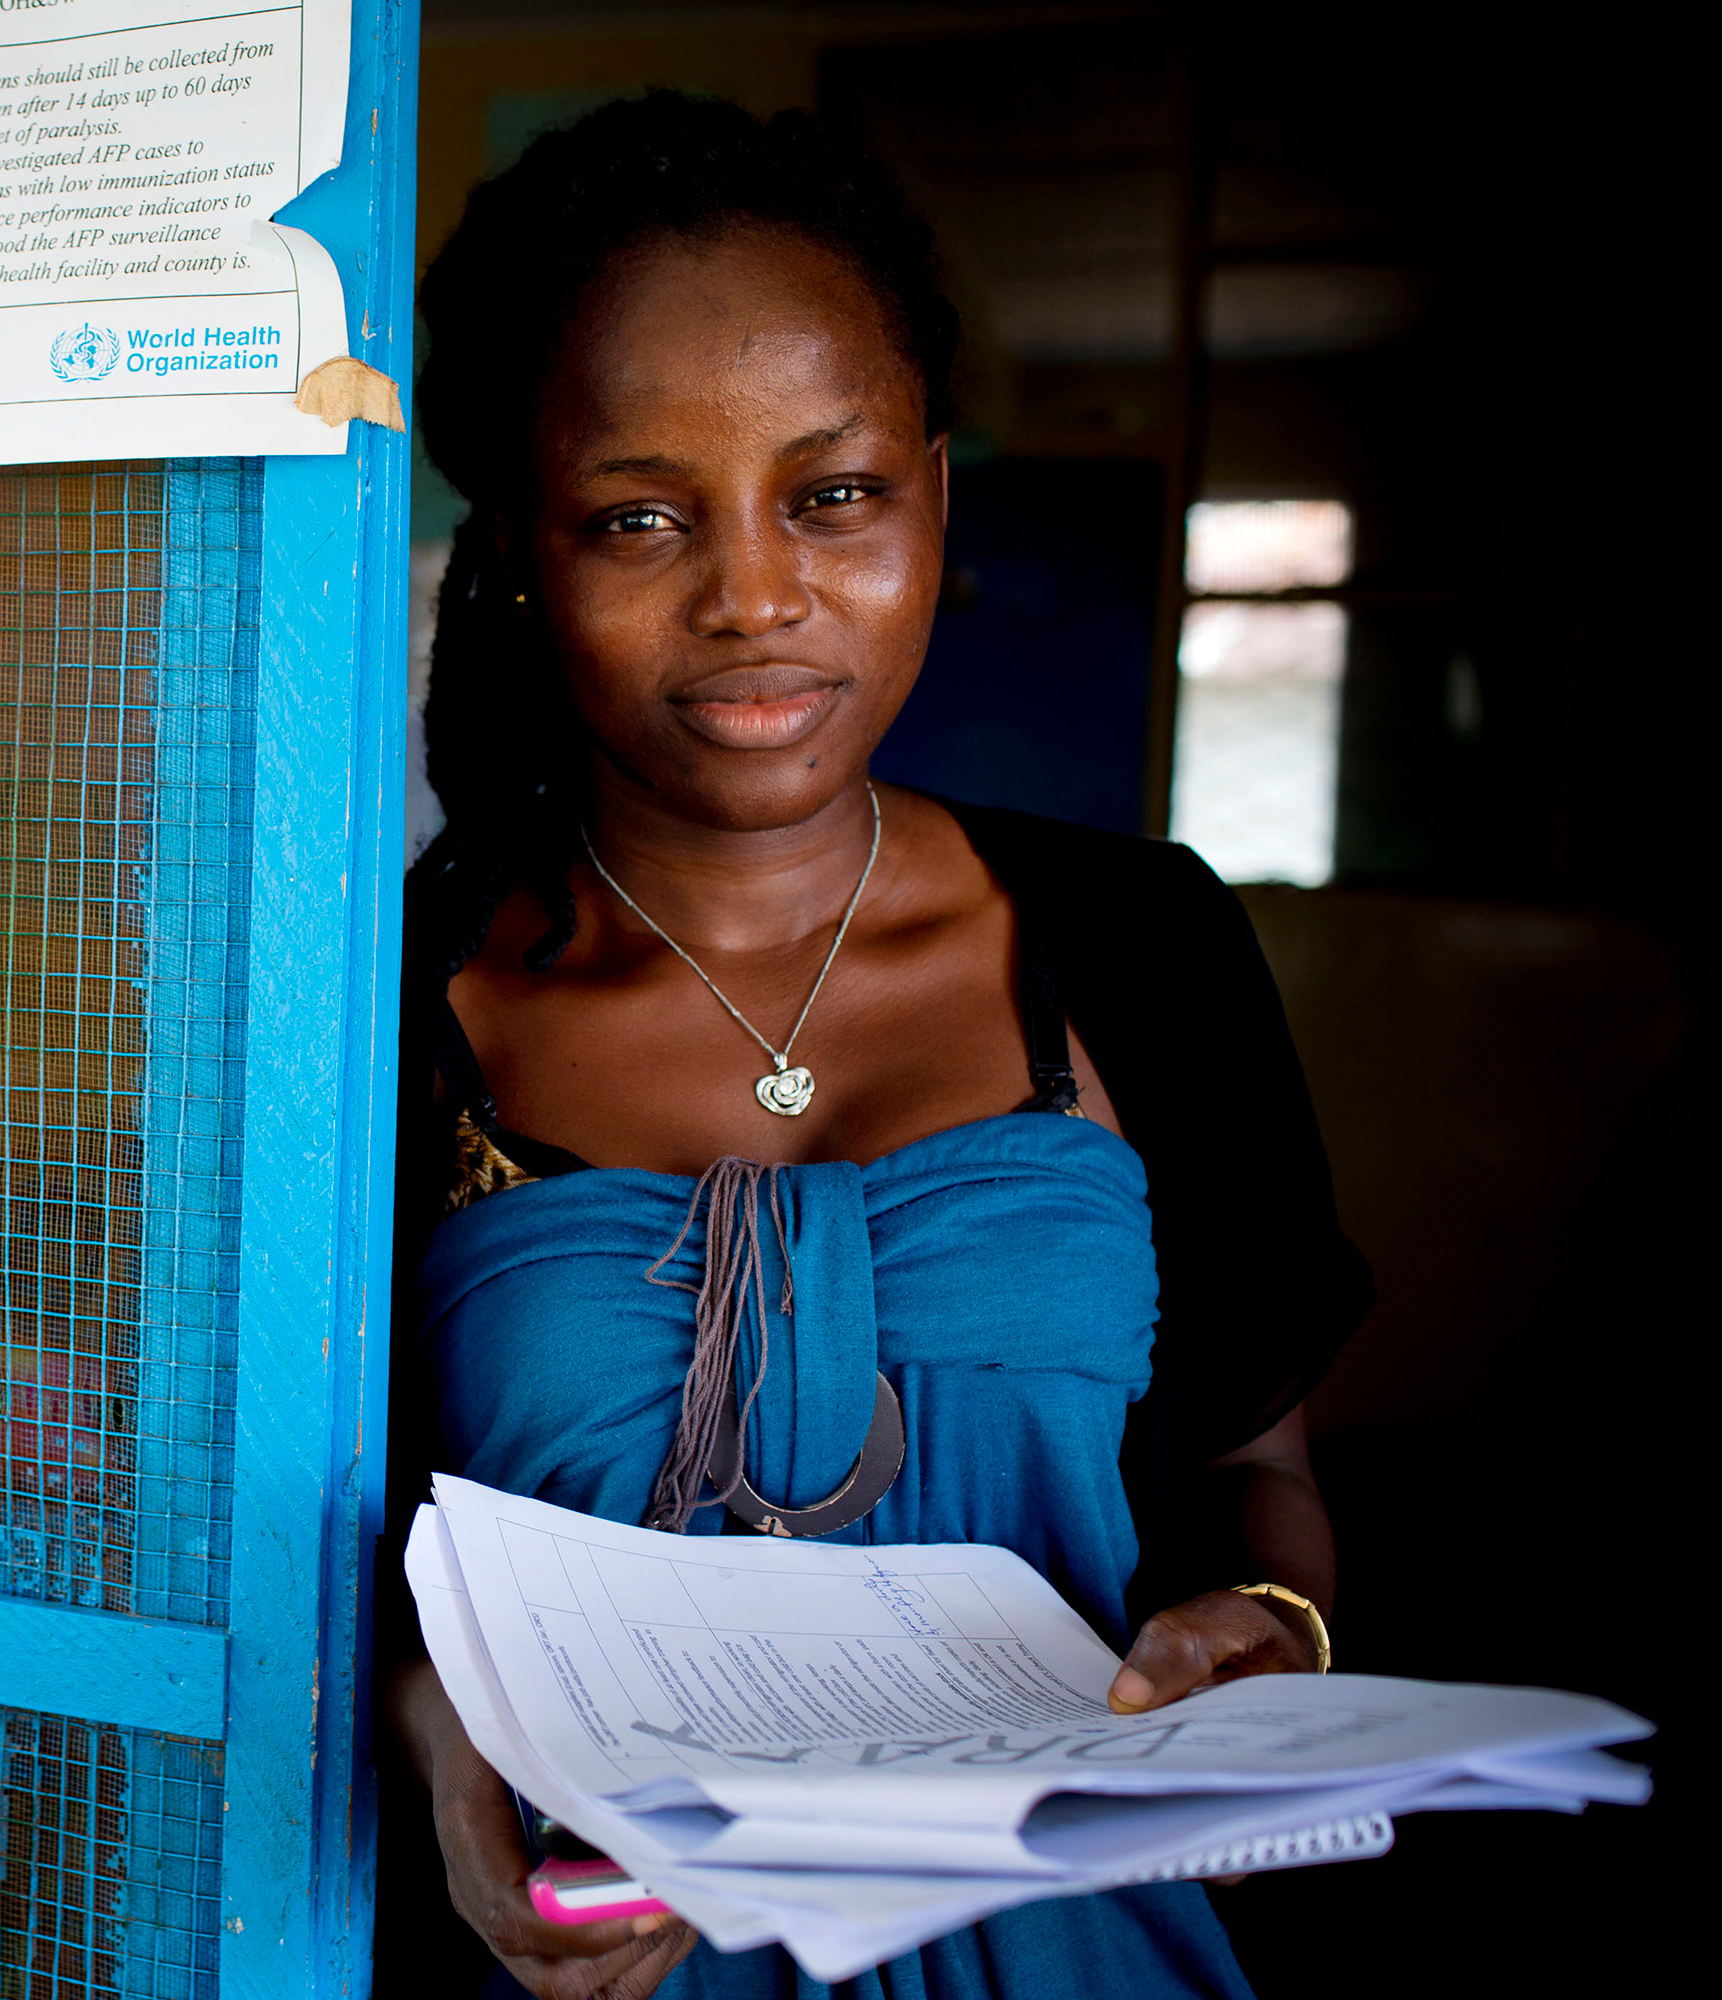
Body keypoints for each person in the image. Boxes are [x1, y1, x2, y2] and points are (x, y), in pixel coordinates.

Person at [380, 94, 1372, 2000]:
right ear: (517, 547)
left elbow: (1263, 1469)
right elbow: (326, 1558)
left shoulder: (1142, 946)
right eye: (639, 516)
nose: (755, 596)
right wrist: (444, 1745)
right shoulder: (393, 1015)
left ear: (933, 492)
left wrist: (1266, 1625)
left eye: (833, 496)